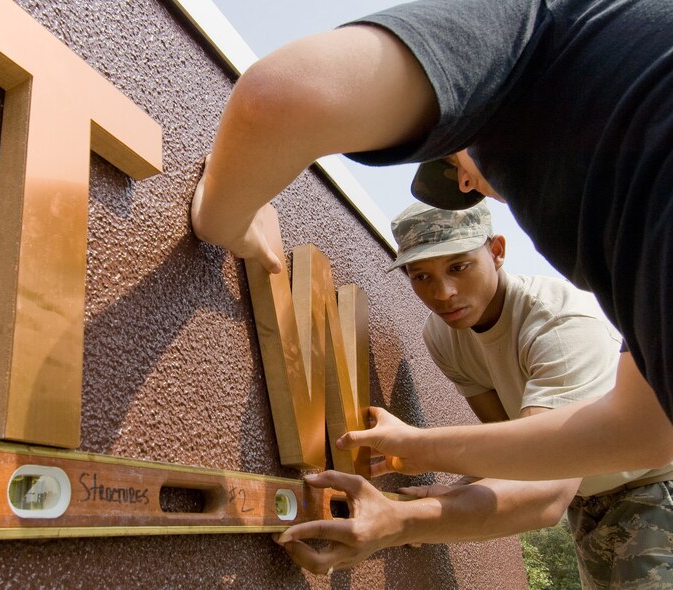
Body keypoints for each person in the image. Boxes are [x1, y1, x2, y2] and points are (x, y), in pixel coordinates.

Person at [191, 0, 673, 484]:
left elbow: (282, 94)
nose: (466, 184)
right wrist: (428, 488)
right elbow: (644, 429)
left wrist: (224, 222)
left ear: (497, 252)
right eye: (421, 275)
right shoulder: (602, 210)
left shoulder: (535, 26)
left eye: (455, 159)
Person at [275, 202, 673, 585]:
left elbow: (546, 488)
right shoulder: (444, 335)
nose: (443, 292)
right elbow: (509, 445)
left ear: (497, 251)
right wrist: (454, 494)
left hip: (652, 488)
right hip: (587, 501)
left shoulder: (559, 327)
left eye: (458, 266)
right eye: (420, 276)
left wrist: (408, 504)